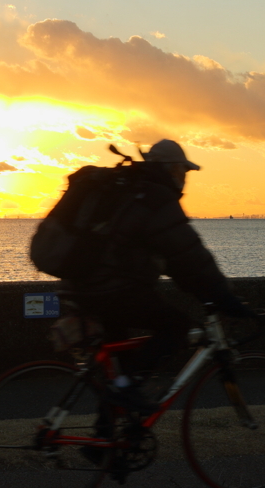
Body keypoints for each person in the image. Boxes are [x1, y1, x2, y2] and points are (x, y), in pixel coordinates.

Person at [57, 139, 252, 412]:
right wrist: (225, 297)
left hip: (81, 285)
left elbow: (175, 261)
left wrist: (202, 287)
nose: (184, 180)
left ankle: (110, 441)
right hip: (109, 291)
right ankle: (124, 391)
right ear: (172, 170)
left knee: (119, 376)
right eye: (183, 172)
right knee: (176, 328)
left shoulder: (128, 189)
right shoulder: (156, 198)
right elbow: (189, 257)